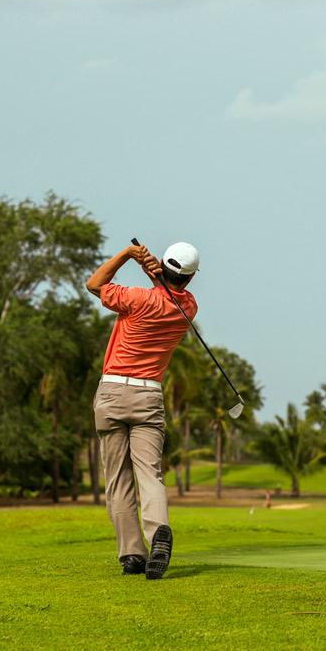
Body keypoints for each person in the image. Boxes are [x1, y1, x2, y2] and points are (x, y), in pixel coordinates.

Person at [85, 240, 200, 578]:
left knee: (118, 478)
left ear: (163, 268)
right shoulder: (188, 307)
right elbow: (168, 291)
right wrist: (152, 268)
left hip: (113, 392)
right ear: (190, 279)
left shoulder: (136, 299)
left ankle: (132, 555)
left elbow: (95, 284)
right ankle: (158, 530)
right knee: (150, 474)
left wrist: (126, 254)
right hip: (149, 396)